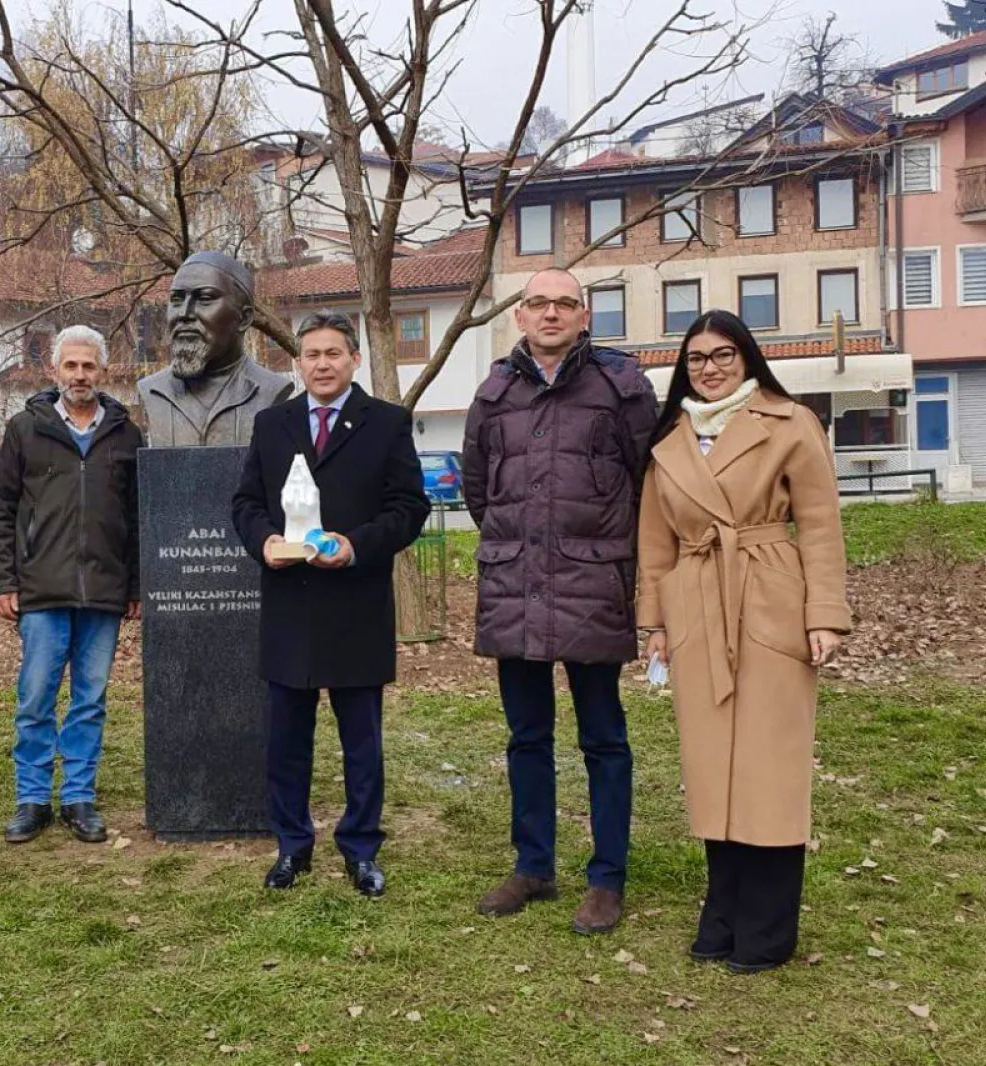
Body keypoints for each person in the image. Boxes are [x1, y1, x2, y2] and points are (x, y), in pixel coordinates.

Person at [637, 310, 849, 973]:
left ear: (748, 357)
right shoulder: (668, 438)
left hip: (769, 593)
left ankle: (767, 926)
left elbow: (818, 524)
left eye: (723, 353)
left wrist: (824, 613)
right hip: (696, 600)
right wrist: (657, 625)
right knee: (711, 767)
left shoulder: (789, 421)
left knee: (769, 766)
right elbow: (654, 544)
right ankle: (721, 911)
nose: (709, 366)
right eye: (696, 357)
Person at [463, 267, 657, 935]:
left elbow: (647, 482)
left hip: (592, 585)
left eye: (564, 303)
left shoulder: (620, 386)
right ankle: (534, 865)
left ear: (585, 315)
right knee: (527, 736)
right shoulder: (495, 391)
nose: (550, 313)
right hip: (514, 585)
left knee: (604, 737)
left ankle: (607, 878)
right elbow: (478, 491)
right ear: (519, 316)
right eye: (538, 303)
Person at [233, 311, 430, 897]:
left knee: (361, 743)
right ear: (297, 362)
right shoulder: (273, 425)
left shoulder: (388, 423)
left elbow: (408, 508)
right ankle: (292, 847)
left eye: (333, 354)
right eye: (312, 354)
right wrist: (263, 539)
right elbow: (245, 502)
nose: (322, 364)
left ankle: (362, 849)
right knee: (286, 742)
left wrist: (354, 547)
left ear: (355, 360)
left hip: (356, 606)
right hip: (290, 606)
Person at [0, 325, 143, 844]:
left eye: (89, 366)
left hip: (103, 590)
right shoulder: (25, 429)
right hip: (41, 588)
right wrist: (2, 579)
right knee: (35, 699)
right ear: (55, 371)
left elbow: (139, 516)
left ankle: (78, 796)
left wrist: (134, 584)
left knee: (90, 699)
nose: (80, 375)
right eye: (70, 366)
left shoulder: (124, 433)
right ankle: (32, 799)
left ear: (103, 370)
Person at [137, 251, 293, 446]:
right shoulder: (152, 391)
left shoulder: (271, 391)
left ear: (243, 318)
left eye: (205, 298)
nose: (184, 314)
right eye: (176, 299)